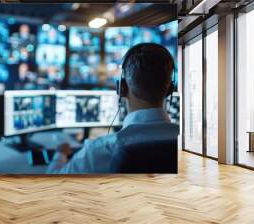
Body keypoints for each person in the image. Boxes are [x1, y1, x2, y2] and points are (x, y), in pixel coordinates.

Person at [46, 43, 178, 174]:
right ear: (170, 89)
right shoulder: (189, 145)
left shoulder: (98, 151)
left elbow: (52, 184)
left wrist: (60, 154)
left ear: (122, 88)